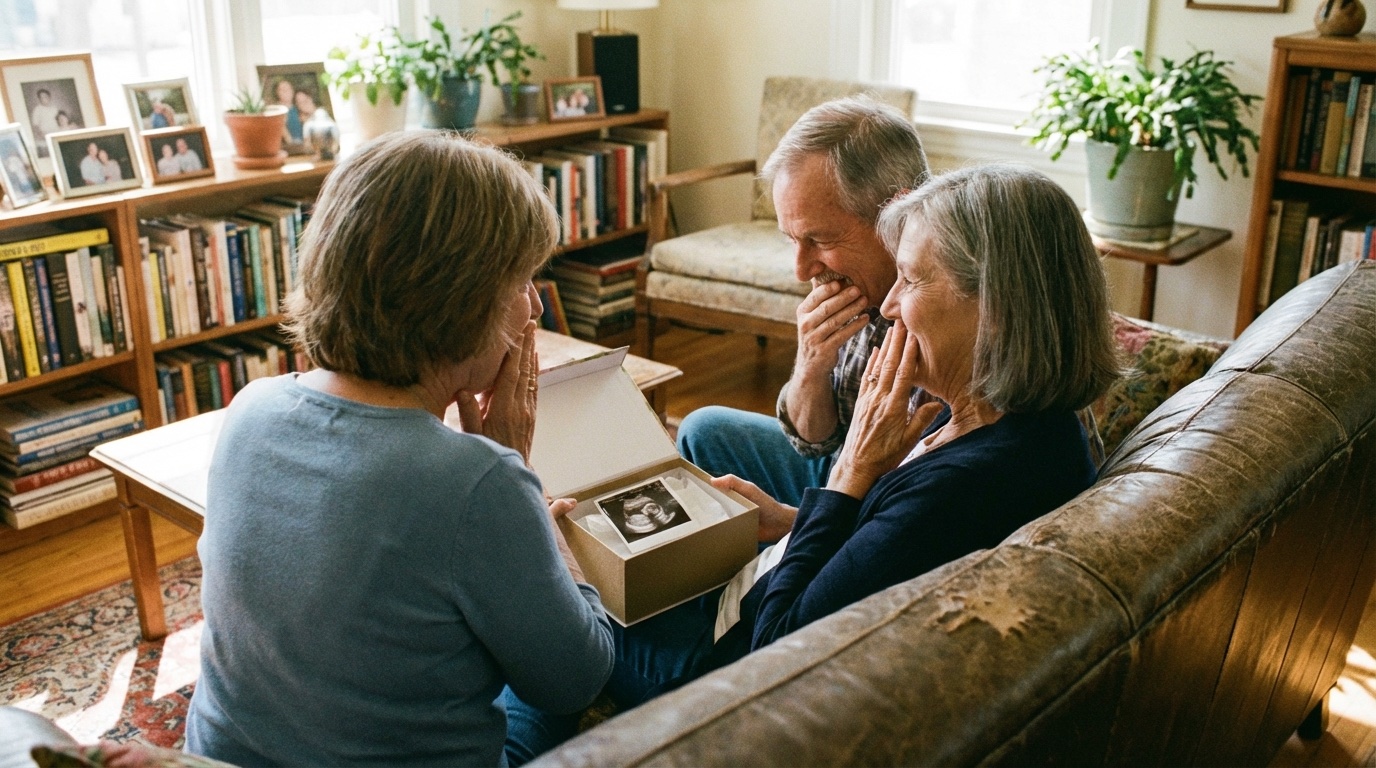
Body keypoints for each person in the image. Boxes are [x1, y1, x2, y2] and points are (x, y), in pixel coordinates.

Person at [504, 162, 1122, 764]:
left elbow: (778, 654)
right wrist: (794, 519)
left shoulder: (971, 485)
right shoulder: (1017, 425)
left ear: (996, 305)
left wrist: (851, 473)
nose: (887, 308)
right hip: (750, 589)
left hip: (722, 664)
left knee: (546, 607)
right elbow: (878, 552)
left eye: (910, 280)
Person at [185, 131, 615, 766]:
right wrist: (529, 496)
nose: (532, 305)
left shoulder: (250, 408)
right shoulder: (476, 481)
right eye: (522, 281)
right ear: (461, 298)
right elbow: (576, 679)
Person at [675, 97, 932, 518]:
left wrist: (791, 522)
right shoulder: (853, 282)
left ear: (898, 215)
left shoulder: (941, 313)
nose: (801, 270)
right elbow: (814, 440)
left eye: (821, 240)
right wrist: (812, 367)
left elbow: (913, 511)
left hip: (886, 503)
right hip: (841, 471)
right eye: (792, 239)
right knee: (701, 430)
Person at [274, 78, 302, 142]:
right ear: (277, 93)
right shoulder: (276, 110)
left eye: (288, 89)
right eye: (282, 89)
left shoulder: (298, 107)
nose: (286, 91)